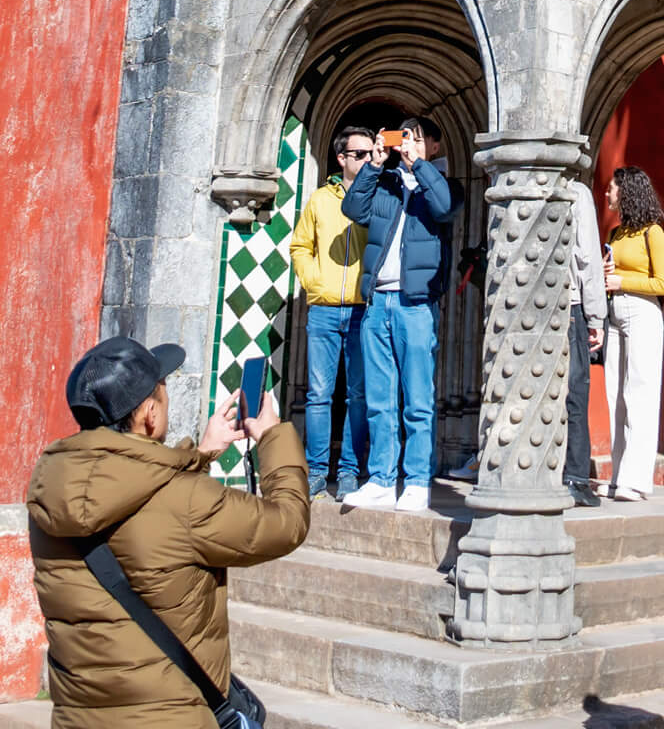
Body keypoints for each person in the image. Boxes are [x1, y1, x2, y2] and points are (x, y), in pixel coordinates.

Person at [27, 335, 308, 728]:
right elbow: (287, 523)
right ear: (149, 413)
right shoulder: (187, 501)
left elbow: (135, 492)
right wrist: (272, 438)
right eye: (162, 389)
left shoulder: (50, 492)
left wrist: (202, 455)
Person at [342, 116, 460, 512]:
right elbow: (353, 208)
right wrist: (375, 165)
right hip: (378, 301)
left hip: (416, 304)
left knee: (417, 401)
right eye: (404, 137)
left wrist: (418, 166)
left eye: (418, 138)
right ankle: (380, 479)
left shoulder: (444, 186)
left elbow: (444, 208)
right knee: (379, 399)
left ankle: (417, 481)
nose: (409, 144)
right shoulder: (386, 185)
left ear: (435, 146)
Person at [289, 121, 374, 497]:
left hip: (361, 310)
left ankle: (351, 470)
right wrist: (314, 282)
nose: (367, 159)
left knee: (358, 395)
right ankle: (317, 471)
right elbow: (300, 246)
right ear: (341, 158)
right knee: (319, 395)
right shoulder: (320, 200)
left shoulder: (377, 197)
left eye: (371, 153)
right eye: (360, 154)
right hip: (323, 310)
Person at [602, 164, 664, 501]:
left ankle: (637, 480)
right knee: (615, 395)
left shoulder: (652, 232)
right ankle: (619, 476)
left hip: (643, 312)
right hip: (615, 314)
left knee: (640, 394)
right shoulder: (616, 233)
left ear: (627, 191)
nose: (607, 192)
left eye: (612, 188)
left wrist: (621, 281)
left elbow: (663, 283)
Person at [565, 171, 609, 508]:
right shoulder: (576, 192)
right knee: (575, 394)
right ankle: (576, 478)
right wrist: (596, 317)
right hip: (569, 305)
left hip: (523, 307)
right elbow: (588, 258)